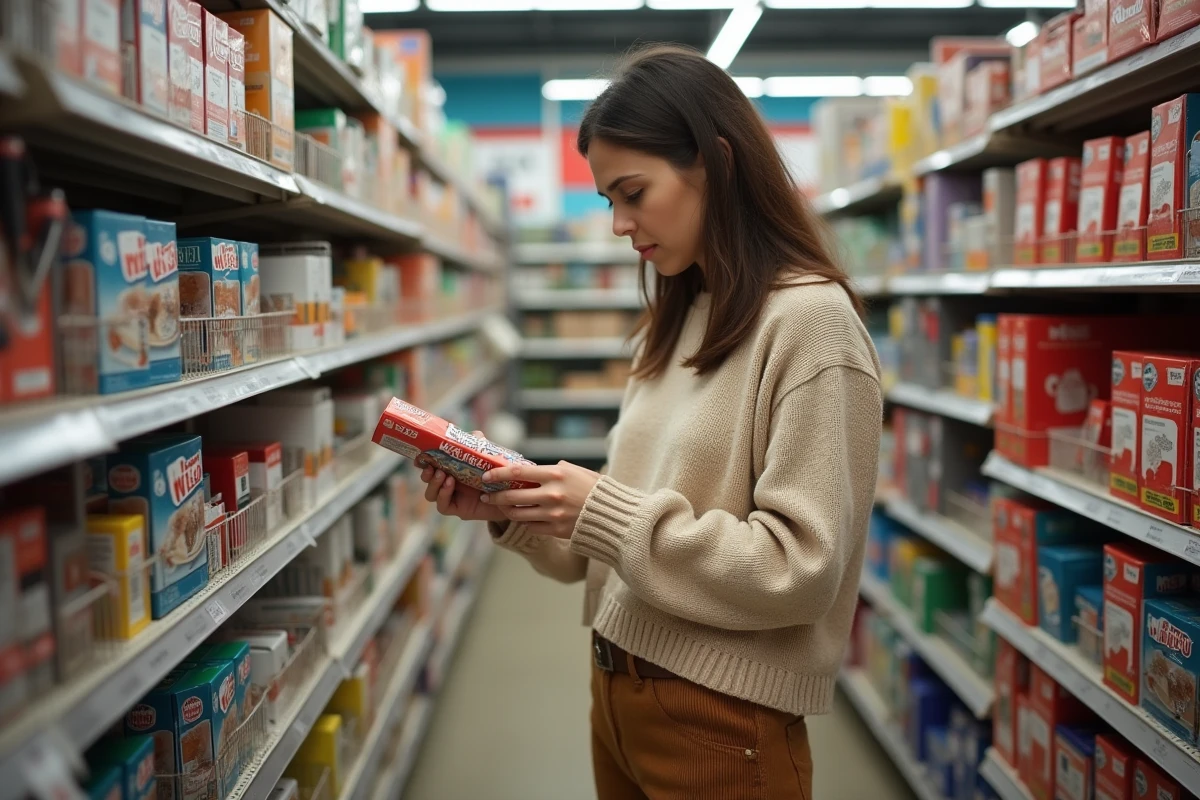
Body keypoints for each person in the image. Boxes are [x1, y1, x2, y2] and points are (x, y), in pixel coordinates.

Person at [418, 43, 882, 800]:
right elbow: (600, 558)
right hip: (617, 693)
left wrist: (600, 508)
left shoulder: (811, 326)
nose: (618, 224)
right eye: (608, 200)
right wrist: (513, 508)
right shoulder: (675, 318)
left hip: (721, 723)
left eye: (633, 192)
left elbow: (800, 570)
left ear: (717, 162)